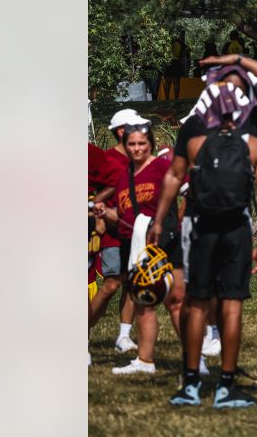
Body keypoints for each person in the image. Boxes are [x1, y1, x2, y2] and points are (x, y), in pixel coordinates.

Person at [153, 80, 257, 408]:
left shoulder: (194, 144)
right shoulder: (254, 146)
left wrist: (160, 220)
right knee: (231, 307)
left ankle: (190, 384)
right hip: (235, 230)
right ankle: (226, 387)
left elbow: (173, 178)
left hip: (202, 229)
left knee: (198, 302)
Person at [93, 122, 192, 375]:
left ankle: (193, 360)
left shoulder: (162, 167)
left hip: (165, 241)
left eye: (141, 144)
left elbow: (188, 192)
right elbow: (121, 214)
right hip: (133, 246)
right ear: (126, 145)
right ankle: (145, 361)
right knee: (143, 304)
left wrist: (177, 223)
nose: (136, 148)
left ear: (150, 145)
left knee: (176, 300)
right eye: (132, 144)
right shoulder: (124, 176)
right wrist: (106, 212)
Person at [92, 110, 150, 355]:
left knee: (132, 284)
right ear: (120, 131)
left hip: (137, 233)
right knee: (112, 283)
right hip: (112, 233)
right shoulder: (106, 159)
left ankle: (124, 336)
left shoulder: (142, 158)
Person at [165, 30, 189, 100]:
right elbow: (187, 49)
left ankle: (167, 99)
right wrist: (181, 56)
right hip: (176, 62)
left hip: (169, 62)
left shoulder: (167, 41)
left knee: (168, 81)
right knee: (176, 82)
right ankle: (176, 99)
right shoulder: (179, 43)